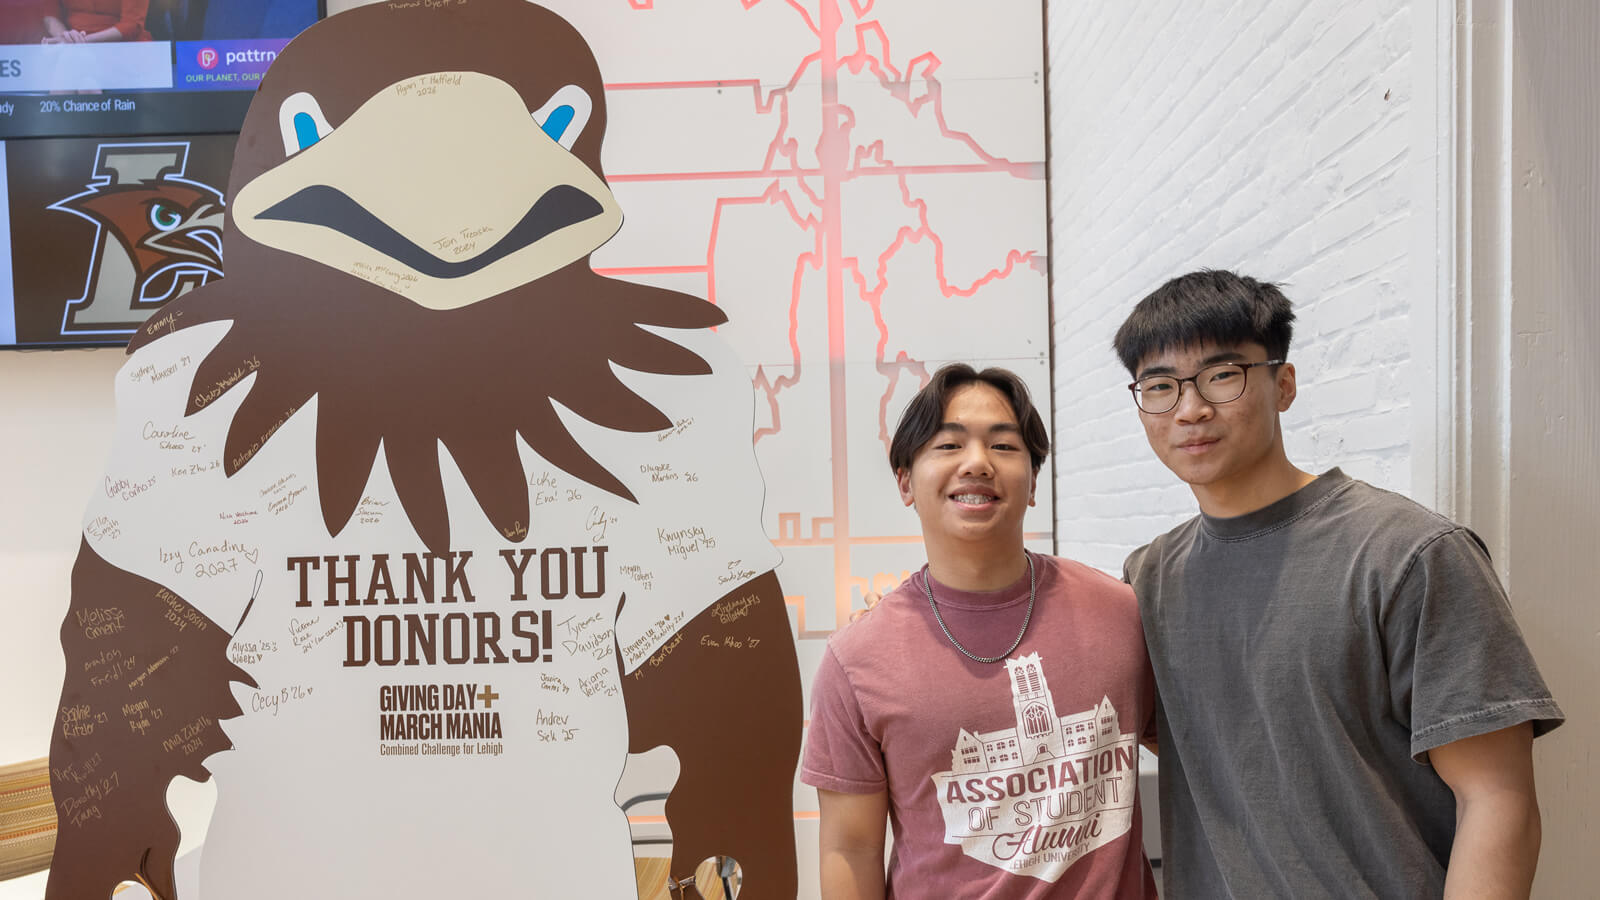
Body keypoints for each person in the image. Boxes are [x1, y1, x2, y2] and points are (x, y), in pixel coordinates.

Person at [1114, 269, 1564, 898]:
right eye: (1161, 386)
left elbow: (1497, 798)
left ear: (1284, 384)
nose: (1191, 409)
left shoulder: (1409, 554)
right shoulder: (1149, 578)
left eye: (1222, 375)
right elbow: (1199, 741)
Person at [802, 364, 1158, 898]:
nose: (977, 463)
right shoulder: (857, 659)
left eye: (1004, 447)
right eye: (948, 445)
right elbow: (848, 848)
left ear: (1034, 481)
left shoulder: (1123, 613)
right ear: (905, 482)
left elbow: (1206, 757)